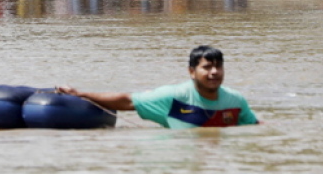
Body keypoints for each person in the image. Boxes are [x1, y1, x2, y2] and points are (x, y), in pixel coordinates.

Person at [56, 45, 257, 129]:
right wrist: (79, 93)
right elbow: (128, 101)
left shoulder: (235, 100)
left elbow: (253, 127)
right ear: (192, 72)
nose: (214, 72)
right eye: (207, 67)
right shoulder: (174, 97)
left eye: (218, 67)